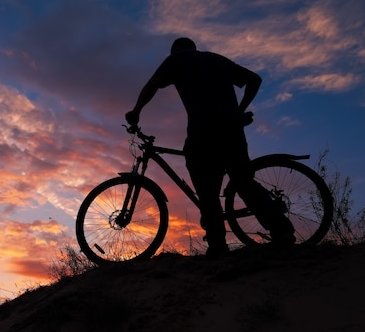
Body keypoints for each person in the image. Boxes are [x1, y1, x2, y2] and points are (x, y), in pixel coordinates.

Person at [125, 37, 295, 257]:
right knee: (243, 180)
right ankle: (282, 231)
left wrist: (136, 110)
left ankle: (217, 246)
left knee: (207, 190)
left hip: (203, 130)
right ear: (194, 47)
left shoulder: (176, 59)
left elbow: (152, 85)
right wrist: (239, 111)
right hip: (232, 129)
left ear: (176, 50)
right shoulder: (217, 59)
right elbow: (254, 79)